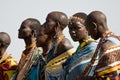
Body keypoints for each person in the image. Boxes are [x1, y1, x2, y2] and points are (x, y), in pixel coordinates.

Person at [61, 12, 98, 80]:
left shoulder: (93, 49)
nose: (73, 32)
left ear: (87, 28)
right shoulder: (78, 51)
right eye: (70, 29)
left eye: (76, 28)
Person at [85, 11, 120, 80]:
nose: (88, 34)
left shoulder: (106, 46)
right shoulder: (116, 39)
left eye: (88, 29)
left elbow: (113, 78)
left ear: (94, 26)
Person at [42, 11, 76, 80]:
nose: (44, 24)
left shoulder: (64, 44)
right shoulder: (54, 45)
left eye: (47, 21)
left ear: (57, 25)